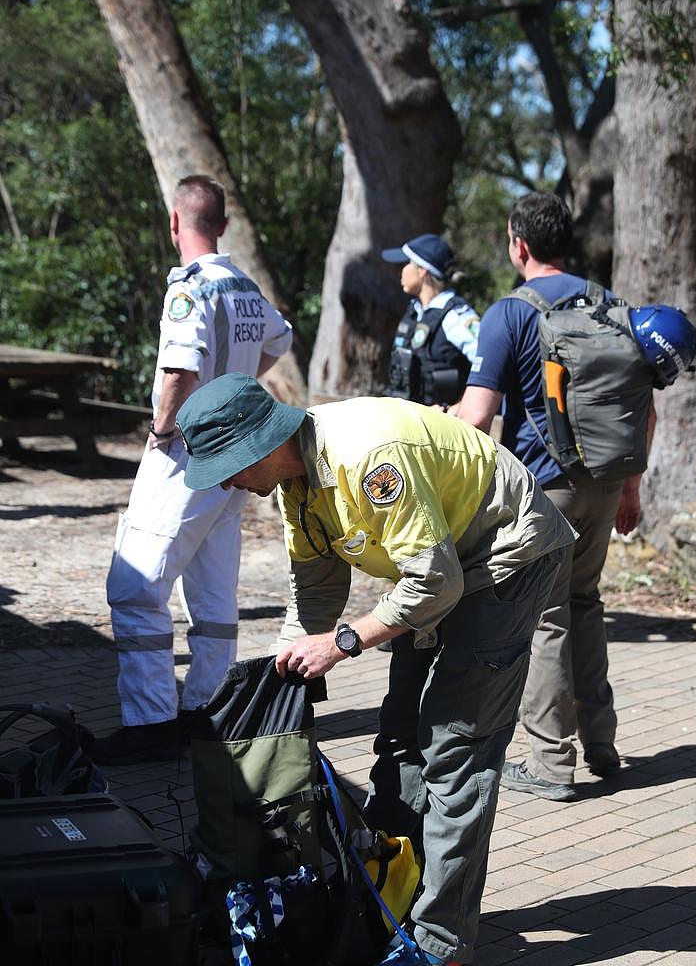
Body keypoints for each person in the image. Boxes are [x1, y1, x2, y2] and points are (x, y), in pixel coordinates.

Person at [176, 372, 576, 966]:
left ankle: (442, 945)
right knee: (398, 740)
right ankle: (390, 895)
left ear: (258, 445)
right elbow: (315, 585)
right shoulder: (295, 480)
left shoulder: (368, 459)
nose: (230, 484)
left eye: (229, 468)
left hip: (504, 561)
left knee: (455, 754)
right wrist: (287, 669)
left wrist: (342, 643)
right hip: (437, 575)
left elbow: (436, 581)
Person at [457, 191, 656, 802]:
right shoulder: (612, 306)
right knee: (586, 604)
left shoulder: (510, 313)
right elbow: (645, 406)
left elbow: (477, 418)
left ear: (519, 244)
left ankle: (548, 763)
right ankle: (602, 743)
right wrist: (631, 487)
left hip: (546, 489)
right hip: (606, 483)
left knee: (546, 618)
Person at [91, 176, 293, 766]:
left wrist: (160, 431)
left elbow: (179, 369)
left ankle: (152, 721)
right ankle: (206, 713)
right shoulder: (247, 288)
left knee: (135, 588)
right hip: (234, 456)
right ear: (223, 226)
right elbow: (280, 340)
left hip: (187, 452)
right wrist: (243, 380)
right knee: (212, 594)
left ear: (176, 222)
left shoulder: (189, 289)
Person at [382, 233, 479, 409]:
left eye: (406, 263)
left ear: (422, 271)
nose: (400, 270)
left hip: (440, 428)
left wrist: (460, 406)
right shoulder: (414, 311)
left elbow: (488, 366)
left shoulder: (455, 316)